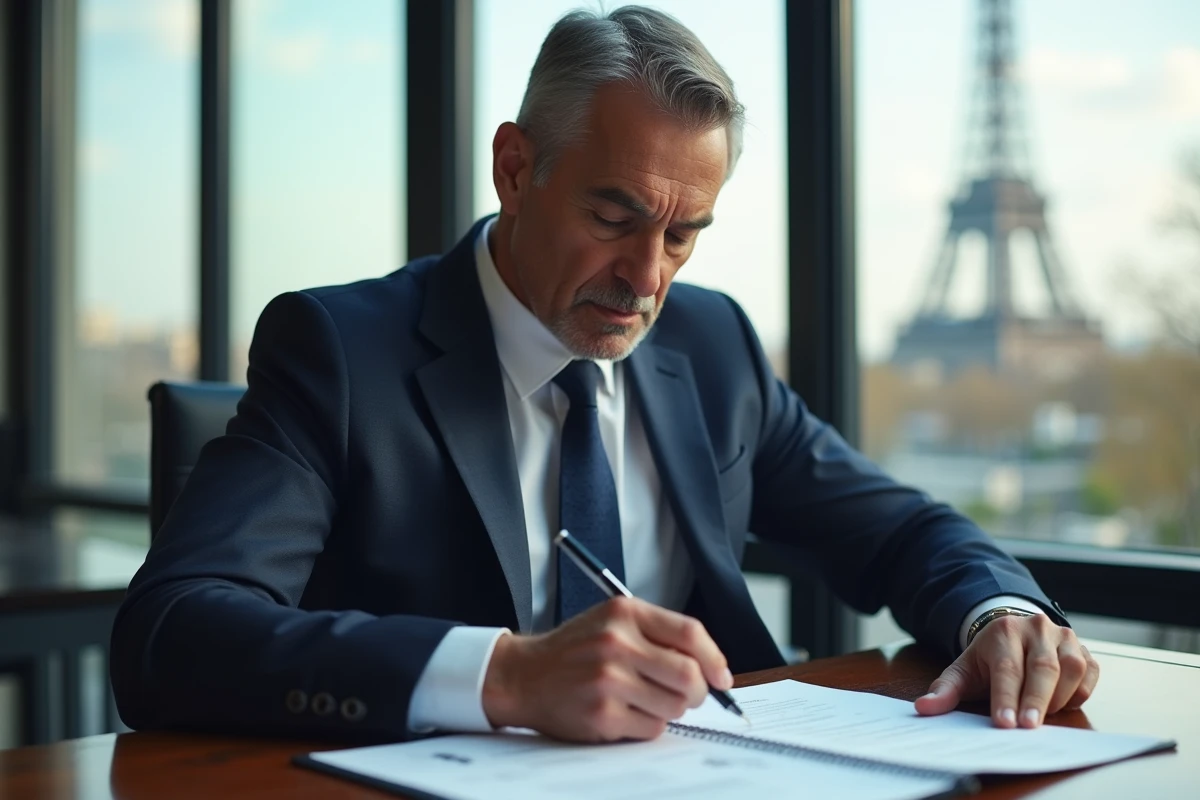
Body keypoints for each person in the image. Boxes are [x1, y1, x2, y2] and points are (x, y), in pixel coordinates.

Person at [110, 6, 1099, 744]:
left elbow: (902, 528)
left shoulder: (713, 349)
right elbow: (171, 633)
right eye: (614, 219)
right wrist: (501, 674)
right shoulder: (339, 349)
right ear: (513, 169)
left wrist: (1000, 610)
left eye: (684, 235)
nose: (646, 277)